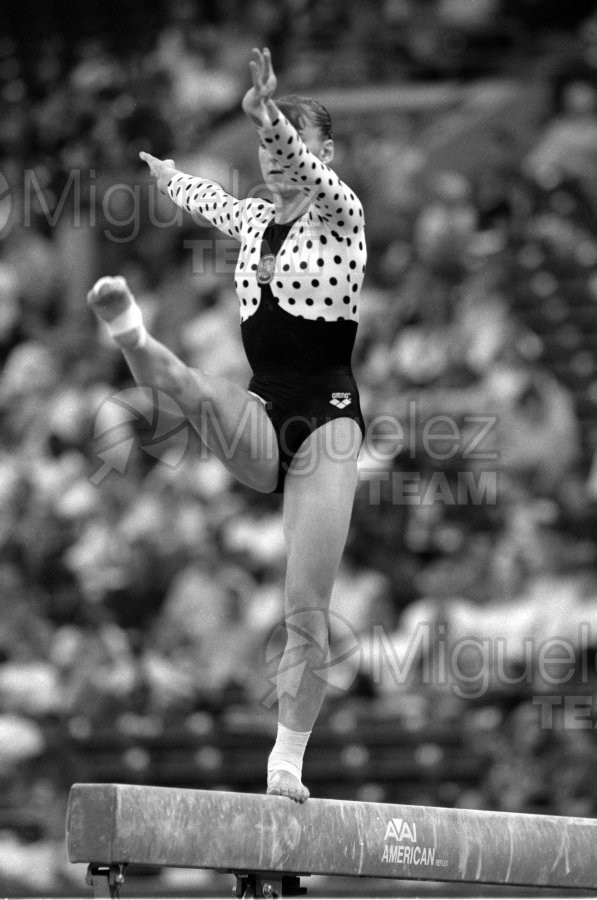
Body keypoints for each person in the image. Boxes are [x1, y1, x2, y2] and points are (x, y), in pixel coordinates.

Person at [87, 47, 366, 803]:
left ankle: (285, 767)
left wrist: (267, 115)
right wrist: (169, 175)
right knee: (193, 390)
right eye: (268, 151)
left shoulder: (343, 216)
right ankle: (134, 338)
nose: (279, 162)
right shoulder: (250, 218)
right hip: (266, 402)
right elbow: (208, 198)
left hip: (329, 417)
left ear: (325, 153)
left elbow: (302, 171)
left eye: (294, 147)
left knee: (304, 607)